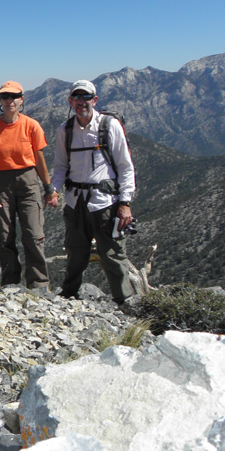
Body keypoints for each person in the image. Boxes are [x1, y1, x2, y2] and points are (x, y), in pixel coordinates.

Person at [51, 79, 136, 303]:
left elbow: (125, 167)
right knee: (75, 252)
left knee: (113, 254)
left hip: (105, 202)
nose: (82, 102)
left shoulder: (109, 126)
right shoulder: (65, 130)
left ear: (94, 100)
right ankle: (68, 297)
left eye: (86, 97)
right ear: (70, 101)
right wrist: (54, 190)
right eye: (77, 97)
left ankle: (125, 301)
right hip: (75, 201)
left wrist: (125, 203)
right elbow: (60, 166)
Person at [0, 80, 58, 288]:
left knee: (33, 234)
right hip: (0, 183)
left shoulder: (31, 125)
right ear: (0, 100)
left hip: (28, 182)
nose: (9, 100)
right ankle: (10, 283)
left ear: (22, 99)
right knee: (4, 236)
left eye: (14, 96)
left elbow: (39, 160)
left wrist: (49, 188)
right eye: (5, 97)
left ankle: (39, 284)